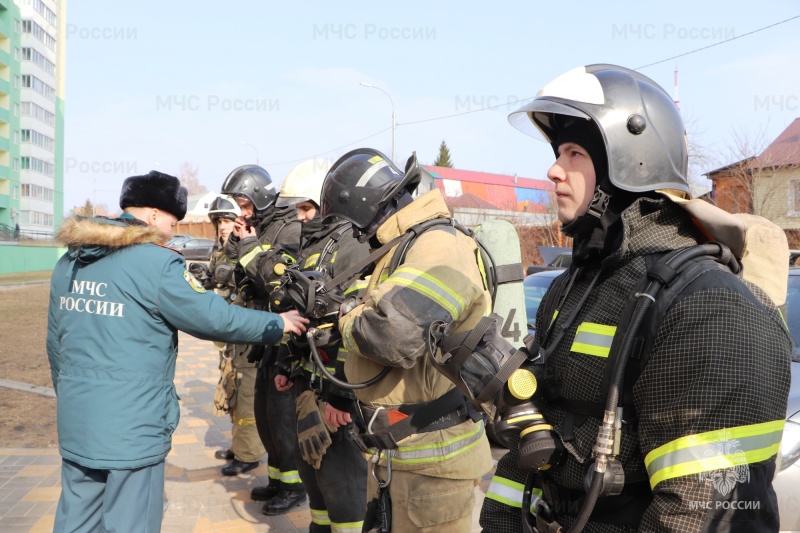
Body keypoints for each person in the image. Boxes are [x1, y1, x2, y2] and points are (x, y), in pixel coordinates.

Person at [480, 64, 792, 532]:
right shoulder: (575, 288)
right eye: (557, 153)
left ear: (629, 165)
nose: (553, 170)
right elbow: (534, 437)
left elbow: (697, 510)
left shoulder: (708, 307)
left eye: (574, 154)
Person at [46, 170, 308, 533]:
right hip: (132, 429)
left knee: (77, 520)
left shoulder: (70, 263)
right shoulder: (156, 263)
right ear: (152, 215)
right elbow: (213, 317)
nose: (171, 228)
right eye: (172, 219)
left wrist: (75, 399)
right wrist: (277, 325)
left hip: (78, 421)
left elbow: (55, 344)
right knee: (130, 522)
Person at [319, 148, 493, 532]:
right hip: (403, 455)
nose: (353, 233)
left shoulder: (438, 245)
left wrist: (345, 313)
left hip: (433, 468)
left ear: (362, 208)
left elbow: (392, 335)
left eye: (352, 223)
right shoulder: (406, 246)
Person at [271, 158, 371, 533]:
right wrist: (284, 363)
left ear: (328, 205)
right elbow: (299, 313)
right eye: (296, 210)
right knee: (317, 492)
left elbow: (359, 328)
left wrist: (341, 394)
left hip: (338, 403)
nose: (300, 217)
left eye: (307, 208)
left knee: (345, 496)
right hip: (308, 391)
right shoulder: (312, 247)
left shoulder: (354, 247)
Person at [220, 164, 307, 513]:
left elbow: (275, 281)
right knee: (265, 416)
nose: (241, 212)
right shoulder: (256, 226)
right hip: (264, 336)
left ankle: (295, 486)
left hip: (286, 338)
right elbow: (229, 266)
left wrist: (251, 244)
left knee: (284, 418)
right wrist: (236, 239)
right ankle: (277, 480)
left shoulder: (289, 229)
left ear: (258, 196)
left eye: (243, 204)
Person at [193, 194, 268, 476]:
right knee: (233, 391)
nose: (223, 226)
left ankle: (249, 454)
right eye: (219, 222)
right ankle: (239, 446)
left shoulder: (246, 246)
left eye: (226, 220)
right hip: (230, 335)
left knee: (246, 392)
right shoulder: (221, 250)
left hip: (246, 330)